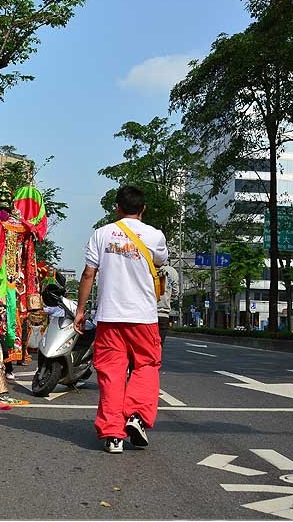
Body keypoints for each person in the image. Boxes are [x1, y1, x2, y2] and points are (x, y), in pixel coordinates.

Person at [74, 185, 167, 454]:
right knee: (146, 365)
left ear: (116, 207)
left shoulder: (100, 235)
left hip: (109, 317)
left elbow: (88, 274)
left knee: (111, 373)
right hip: (144, 316)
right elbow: (160, 262)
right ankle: (136, 416)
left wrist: (81, 310)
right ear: (143, 209)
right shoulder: (154, 235)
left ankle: (113, 435)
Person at [156, 263, 179, 346]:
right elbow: (175, 292)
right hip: (163, 314)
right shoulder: (172, 271)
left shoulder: (146, 266)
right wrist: (167, 298)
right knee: (159, 346)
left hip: (146, 315)